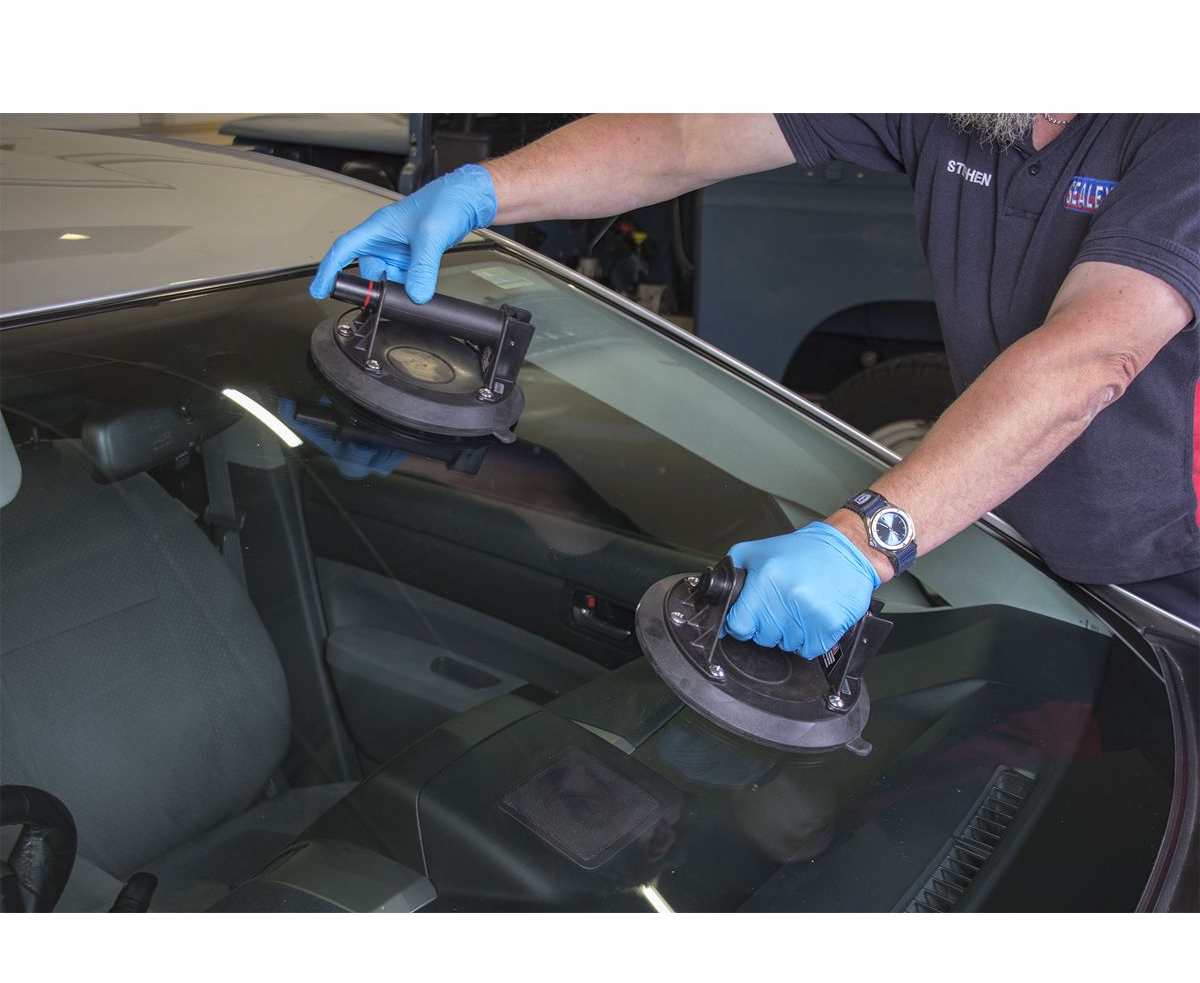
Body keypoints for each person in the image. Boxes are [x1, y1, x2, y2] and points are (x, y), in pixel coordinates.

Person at [310, 114, 1200, 641]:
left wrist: (864, 541)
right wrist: (481, 190)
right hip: (1027, 555)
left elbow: (1096, 353)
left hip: (1177, 573)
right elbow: (687, 135)